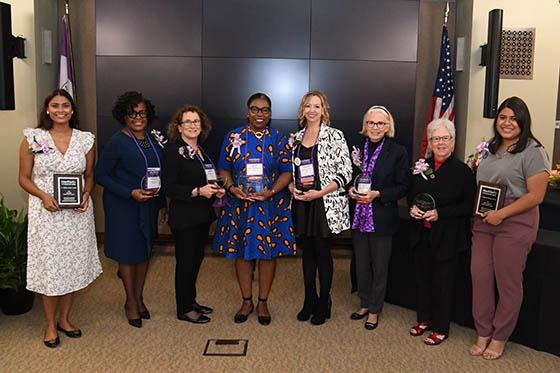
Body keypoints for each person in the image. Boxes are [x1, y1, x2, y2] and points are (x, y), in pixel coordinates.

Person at [18, 89, 102, 348]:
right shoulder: (33, 138)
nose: (61, 110)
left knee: (72, 266)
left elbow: (89, 175)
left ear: (72, 110)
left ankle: (65, 319)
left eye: (66, 105)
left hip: (76, 215)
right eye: (55, 105)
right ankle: (50, 325)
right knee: (51, 268)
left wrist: (87, 194)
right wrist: (43, 196)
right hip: (47, 215)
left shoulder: (86, 140)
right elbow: (23, 178)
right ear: (47, 110)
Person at [469, 97, 549, 360]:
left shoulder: (533, 151)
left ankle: (500, 336)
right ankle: (483, 331)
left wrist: (501, 214)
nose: (507, 123)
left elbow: (536, 196)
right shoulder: (490, 149)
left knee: (508, 283)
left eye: (514, 118)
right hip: (484, 222)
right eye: (503, 117)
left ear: (523, 121)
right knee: (480, 277)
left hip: (515, 223)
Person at [214, 93, 295, 326]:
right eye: (255, 109)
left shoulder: (279, 138)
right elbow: (223, 169)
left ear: (270, 113)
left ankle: (263, 302)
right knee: (242, 252)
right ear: (247, 111)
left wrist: (270, 192)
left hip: (270, 205)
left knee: (267, 253)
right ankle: (246, 300)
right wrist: (231, 188)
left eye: (265, 110)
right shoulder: (233, 137)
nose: (260, 114)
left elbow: (287, 172)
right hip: (240, 205)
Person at [95, 91, 166, 328]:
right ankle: (131, 301)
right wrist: (129, 192)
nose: (138, 117)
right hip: (123, 205)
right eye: (133, 113)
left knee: (144, 251)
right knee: (128, 253)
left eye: (142, 113)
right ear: (124, 116)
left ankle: (139, 296)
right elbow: (100, 176)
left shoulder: (153, 140)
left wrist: (162, 203)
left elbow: (160, 174)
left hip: (148, 204)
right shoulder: (116, 142)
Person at [408, 118, 476, 346]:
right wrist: (413, 208)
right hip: (422, 235)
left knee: (443, 284)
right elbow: (412, 195)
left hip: (448, 237)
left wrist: (441, 214)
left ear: (453, 142)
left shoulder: (463, 171)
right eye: (436, 138)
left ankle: (441, 327)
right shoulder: (421, 167)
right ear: (430, 142)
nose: (440, 143)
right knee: (422, 279)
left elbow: (468, 206)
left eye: (445, 138)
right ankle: (424, 319)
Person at [289, 90, 352, 325]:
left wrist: (321, 192)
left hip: (325, 203)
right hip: (303, 203)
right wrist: (291, 189)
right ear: (302, 110)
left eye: (317, 106)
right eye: (308, 106)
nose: (312, 110)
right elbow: (290, 171)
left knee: (323, 254)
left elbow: (345, 172)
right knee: (307, 254)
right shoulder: (295, 138)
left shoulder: (335, 136)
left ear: (324, 110)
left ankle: (324, 301)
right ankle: (309, 300)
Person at [347, 106, 409, 330]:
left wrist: (378, 194)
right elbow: (349, 176)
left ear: (388, 127)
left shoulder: (398, 151)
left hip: (381, 217)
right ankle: (364, 302)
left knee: (380, 266)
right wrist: (350, 190)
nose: (375, 127)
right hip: (359, 217)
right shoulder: (357, 147)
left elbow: (403, 187)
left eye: (380, 123)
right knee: (361, 264)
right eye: (371, 123)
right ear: (365, 125)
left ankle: (375, 309)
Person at [162, 104, 224, 324]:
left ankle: (192, 300)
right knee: (185, 262)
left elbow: (207, 178)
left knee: (196, 259)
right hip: (184, 216)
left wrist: (216, 188)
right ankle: (184, 308)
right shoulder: (172, 151)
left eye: (196, 121)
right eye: (187, 122)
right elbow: (168, 187)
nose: (192, 125)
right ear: (178, 127)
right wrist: (197, 191)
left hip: (202, 215)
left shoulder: (201, 151)